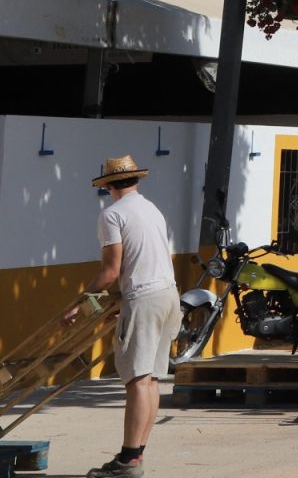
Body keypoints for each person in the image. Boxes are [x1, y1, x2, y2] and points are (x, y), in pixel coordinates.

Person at [62, 155, 179, 478]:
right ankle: (135, 455)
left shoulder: (112, 214)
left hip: (144, 299)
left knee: (137, 379)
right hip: (168, 294)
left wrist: (78, 304)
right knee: (152, 378)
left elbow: (110, 271)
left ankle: (129, 460)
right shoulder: (150, 208)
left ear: (108, 185)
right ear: (135, 181)